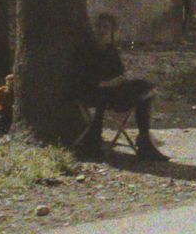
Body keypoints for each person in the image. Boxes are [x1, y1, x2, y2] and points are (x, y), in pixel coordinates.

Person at [71, 14, 169, 163]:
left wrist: (120, 80)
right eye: (98, 26)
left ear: (111, 31)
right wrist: (105, 83)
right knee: (135, 92)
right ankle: (95, 143)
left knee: (145, 89)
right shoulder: (86, 49)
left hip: (112, 92)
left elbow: (119, 73)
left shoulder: (111, 50)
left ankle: (144, 139)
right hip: (92, 92)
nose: (101, 30)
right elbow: (81, 77)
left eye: (106, 27)